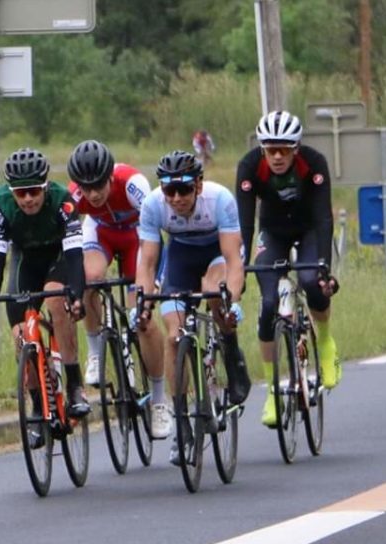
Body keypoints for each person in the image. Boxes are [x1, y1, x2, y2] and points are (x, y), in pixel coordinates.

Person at [134, 151, 251, 464]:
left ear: (198, 185)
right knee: (174, 337)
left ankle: (230, 350)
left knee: (215, 294)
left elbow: (233, 259)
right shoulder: (153, 205)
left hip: (217, 253)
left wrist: (234, 301)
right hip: (180, 258)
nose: (175, 198)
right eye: (169, 190)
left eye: (183, 189)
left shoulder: (220, 200)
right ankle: (182, 421)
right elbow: (147, 262)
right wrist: (142, 302)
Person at [0, 148, 89, 434]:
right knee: (22, 335)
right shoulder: (0, 206)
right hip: (26, 262)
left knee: (55, 298)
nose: (28, 199)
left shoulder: (63, 201)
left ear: (45, 186)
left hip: (59, 258)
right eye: (20, 193)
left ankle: (74, 386)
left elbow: (75, 257)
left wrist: (76, 294)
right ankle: (37, 404)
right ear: (11, 191)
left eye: (34, 191)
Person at [236, 111, 341, 428]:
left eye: (284, 149)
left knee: (311, 281)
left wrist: (325, 267)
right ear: (263, 149)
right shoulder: (249, 166)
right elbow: (244, 223)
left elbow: (324, 218)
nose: (277, 156)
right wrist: (239, 268)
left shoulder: (314, 162)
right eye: (271, 150)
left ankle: (324, 341)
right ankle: (271, 391)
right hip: (273, 233)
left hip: (309, 229)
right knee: (268, 305)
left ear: (296, 149)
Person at [66, 140, 172, 438]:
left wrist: (153, 283)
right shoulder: (74, 197)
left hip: (139, 236)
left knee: (144, 318)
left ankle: (160, 401)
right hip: (101, 233)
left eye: (99, 185)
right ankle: (96, 351)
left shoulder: (133, 184)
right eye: (86, 188)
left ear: (110, 177)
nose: (94, 193)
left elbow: (158, 234)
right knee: (89, 278)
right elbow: (70, 246)